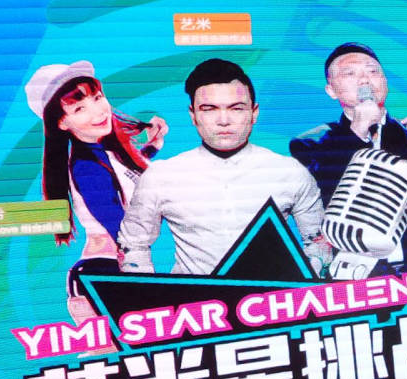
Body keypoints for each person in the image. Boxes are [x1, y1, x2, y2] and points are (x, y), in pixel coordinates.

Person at [118, 58, 329, 275]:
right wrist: (151, 293)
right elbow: (133, 246)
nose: (223, 120)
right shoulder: (161, 175)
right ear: (193, 115)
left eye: (236, 108)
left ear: (254, 113)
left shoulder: (290, 172)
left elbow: (319, 245)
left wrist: (299, 282)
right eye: (209, 109)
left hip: (269, 295)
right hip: (192, 296)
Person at [25, 60, 168, 327]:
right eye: (79, 108)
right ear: (62, 123)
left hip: (108, 273)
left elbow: (127, 178)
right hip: (103, 273)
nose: (97, 111)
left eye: (97, 97)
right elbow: (120, 229)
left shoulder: (105, 154)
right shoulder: (87, 167)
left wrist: (152, 148)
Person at [289, 42, 407, 275]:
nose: (364, 80)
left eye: (372, 71)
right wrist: (357, 131)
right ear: (331, 90)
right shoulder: (311, 143)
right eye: (350, 73)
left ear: (385, 82)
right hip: (355, 279)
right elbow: (325, 193)